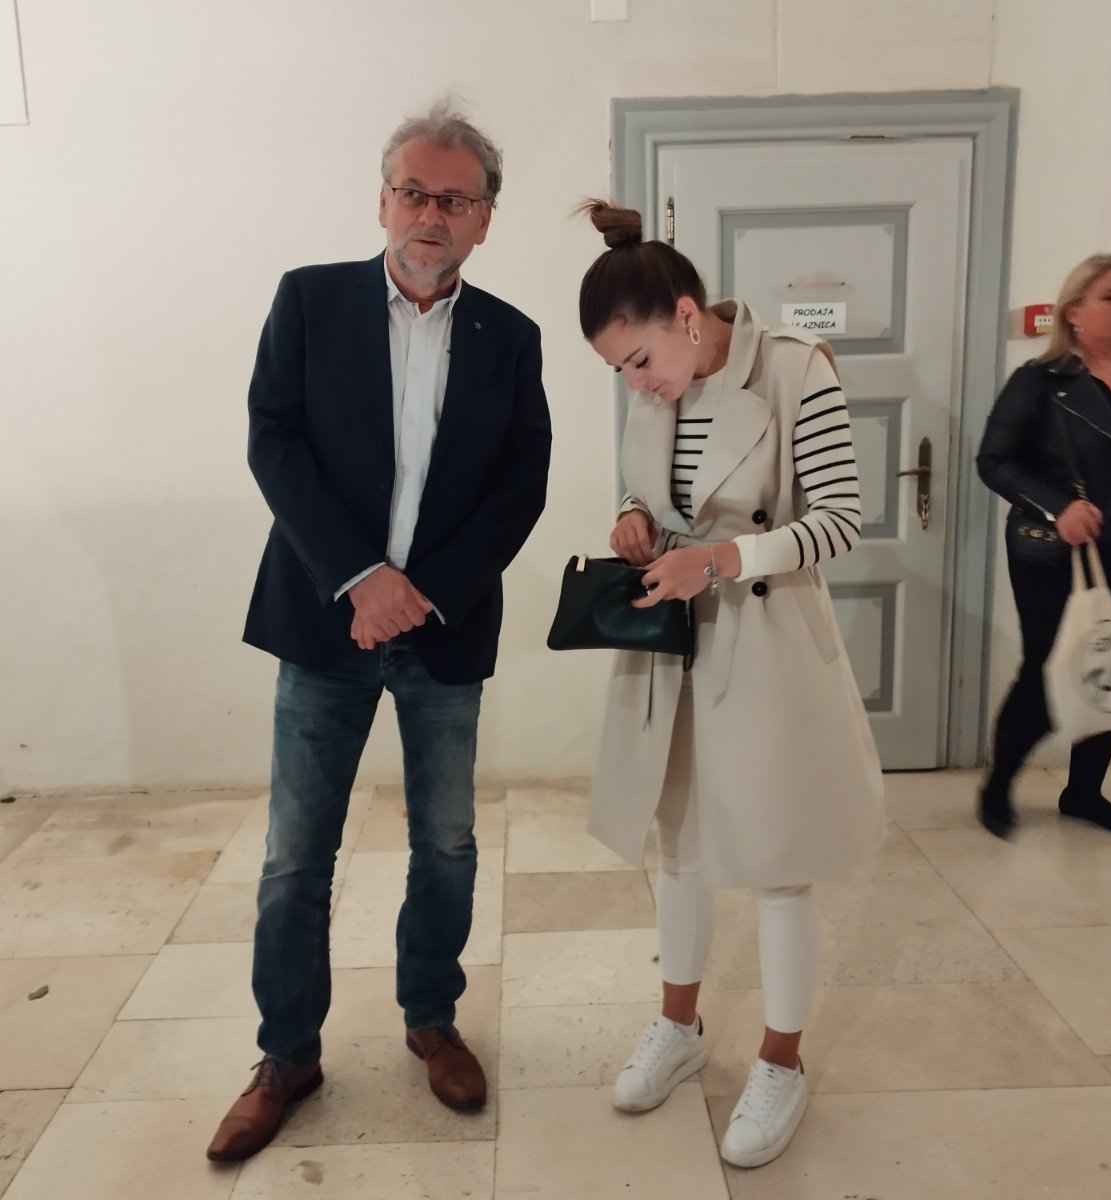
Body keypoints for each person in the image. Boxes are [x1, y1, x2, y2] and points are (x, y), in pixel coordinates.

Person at [207, 102, 552, 1163]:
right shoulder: (309, 302)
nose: (430, 214)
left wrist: (421, 592)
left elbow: (520, 487)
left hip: (443, 630)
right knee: (295, 855)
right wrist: (360, 580)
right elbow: (274, 441)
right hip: (326, 622)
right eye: (413, 192)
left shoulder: (512, 337)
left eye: (454, 199)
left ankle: (431, 1018)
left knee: (444, 842)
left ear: (485, 219)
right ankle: (286, 1055)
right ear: (382, 201)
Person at [574, 200, 885, 1169]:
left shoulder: (793, 367)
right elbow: (657, 487)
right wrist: (633, 516)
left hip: (766, 634)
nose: (637, 383)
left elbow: (842, 519)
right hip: (672, 637)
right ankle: (679, 1027)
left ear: (685, 314)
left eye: (639, 360)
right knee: (676, 845)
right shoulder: (656, 383)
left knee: (777, 859)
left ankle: (781, 1063)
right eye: (620, 371)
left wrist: (718, 559)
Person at [976, 253, 1111, 840]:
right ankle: (997, 787)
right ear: (1074, 311)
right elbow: (994, 461)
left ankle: (1084, 793)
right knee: (1051, 669)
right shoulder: (1041, 382)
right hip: (1058, 552)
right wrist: (1059, 505)